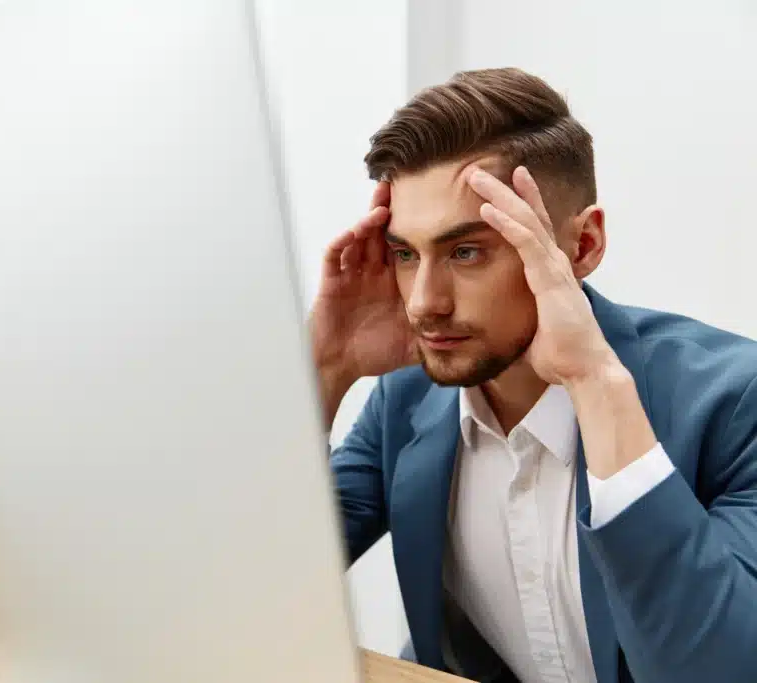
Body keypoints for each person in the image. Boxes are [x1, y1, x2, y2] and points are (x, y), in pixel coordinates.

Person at [310, 67, 757, 683]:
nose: (423, 303)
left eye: (467, 252)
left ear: (584, 246)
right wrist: (324, 370)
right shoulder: (404, 400)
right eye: (406, 255)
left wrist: (595, 384)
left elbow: (717, 670)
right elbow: (246, 589)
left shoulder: (736, 401)